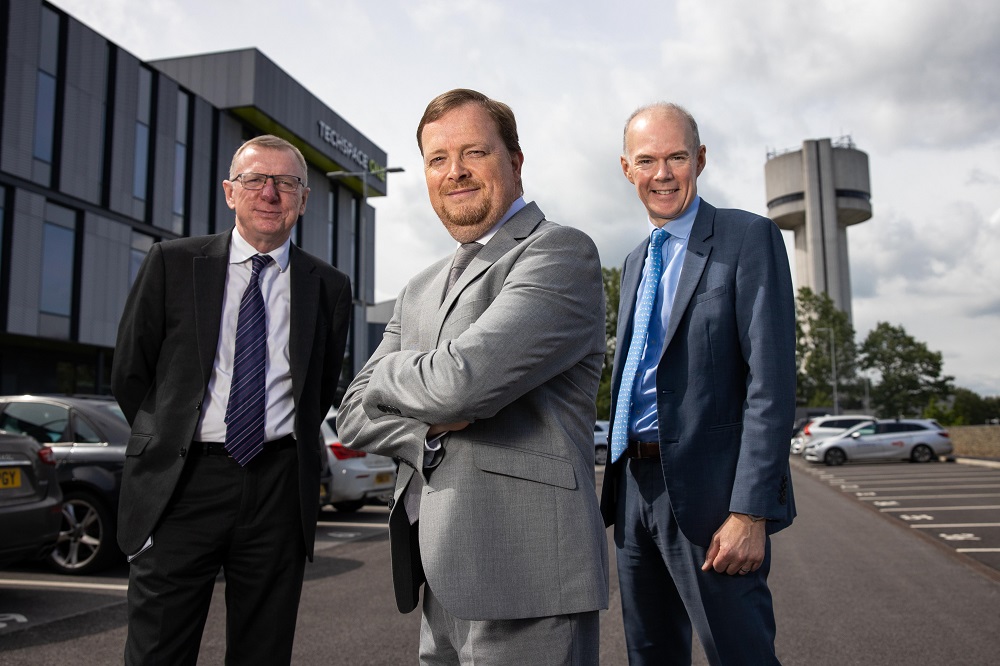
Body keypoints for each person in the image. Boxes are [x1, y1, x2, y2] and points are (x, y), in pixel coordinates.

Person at [337, 89, 608, 665]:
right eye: (437, 159)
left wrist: (389, 371)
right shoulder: (418, 288)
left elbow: (462, 384)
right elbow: (353, 410)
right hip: (438, 571)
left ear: (515, 161)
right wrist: (425, 434)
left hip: (528, 574)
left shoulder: (558, 253)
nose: (454, 172)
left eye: (473, 152)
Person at [112, 134, 352, 665]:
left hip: (278, 487)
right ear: (230, 192)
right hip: (181, 484)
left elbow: (319, 388)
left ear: (304, 198)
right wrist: (168, 439)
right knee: (158, 650)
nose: (270, 192)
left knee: (263, 652)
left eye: (286, 182)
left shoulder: (329, 286)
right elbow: (131, 372)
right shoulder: (172, 263)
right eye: (254, 180)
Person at [600, 103, 796, 665]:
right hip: (634, 488)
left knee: (742, 657)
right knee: (651, 657)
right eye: (647, 160)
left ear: (700, 159)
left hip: (714, 498)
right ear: (626, 168)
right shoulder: (636, 259)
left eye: (677, 157)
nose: (662, 174)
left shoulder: (747, 238)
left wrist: (750, 512)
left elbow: (772, 385)